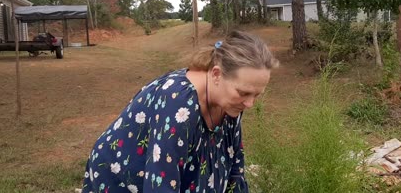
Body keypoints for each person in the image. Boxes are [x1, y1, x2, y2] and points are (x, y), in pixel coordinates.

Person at [81, 30, 279, 193]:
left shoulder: (232, 102)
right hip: (120, 180)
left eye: (256, 95)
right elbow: (161, 184)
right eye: (244, 93)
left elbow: (234, 168)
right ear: (217, 74)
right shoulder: (178, 102)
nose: (250, 103)